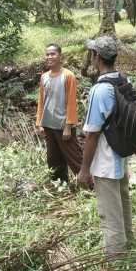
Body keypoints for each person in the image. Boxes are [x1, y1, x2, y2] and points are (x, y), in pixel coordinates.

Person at [77, 36, 133, 256]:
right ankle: (131, 250)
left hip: (106, 162)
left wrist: (83, 170)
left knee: (110, 217)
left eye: (92, 53)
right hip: (121, 156)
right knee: (123, 208)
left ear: (96, 57)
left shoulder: (99, 90)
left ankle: (117, 265)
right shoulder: (124, 81)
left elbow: (92, 135)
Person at [35, 43, 83, 184]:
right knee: (53, 159)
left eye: (53, 54)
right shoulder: (44, 77)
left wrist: (68, 126)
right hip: (49, 125)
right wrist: (39, 123)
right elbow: (41, 101)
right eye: (47, 54)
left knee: (75, 158)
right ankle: (60, 186)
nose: (49, 57)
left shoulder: (68, 76)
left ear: (60, 56)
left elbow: (71, 103)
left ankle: (90, 186)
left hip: (63, 127)